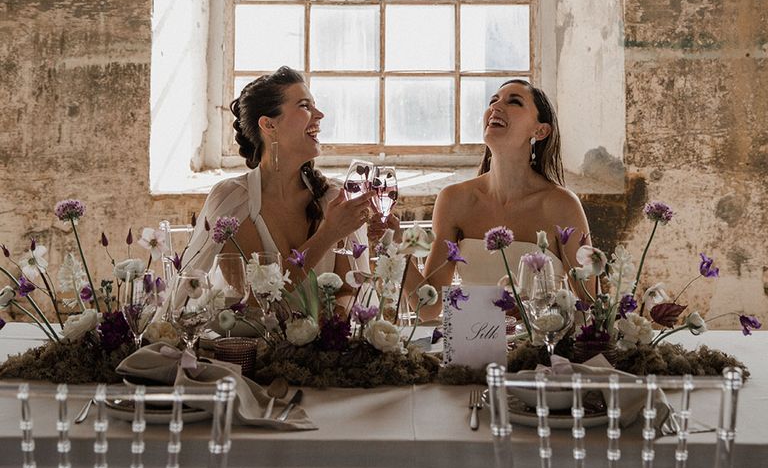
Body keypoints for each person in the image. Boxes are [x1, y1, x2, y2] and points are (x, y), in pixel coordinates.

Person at [182, 66, 374, 309]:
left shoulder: (334, 199)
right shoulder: (234, 201)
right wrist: (329, 234)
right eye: (305, 106)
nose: (320, 114)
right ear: (269, 125)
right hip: (253, 344)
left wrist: (332, 332)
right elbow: (254, 297)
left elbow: (349, 290)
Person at [419, 78, 592, 320]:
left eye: (514, 102)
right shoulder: (454, 200)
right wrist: (394, 250)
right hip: (471, 349)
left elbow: (590, 304)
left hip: (537, 352)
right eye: (493, 101)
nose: (495, 107)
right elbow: (428, 308)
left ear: (540, 130)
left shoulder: (562, 205)